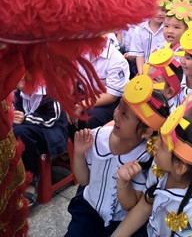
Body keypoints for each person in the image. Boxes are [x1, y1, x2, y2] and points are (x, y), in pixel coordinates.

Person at [66, 82, 166, 237]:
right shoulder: (97, 137)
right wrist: (78, 154)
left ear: (146, 132)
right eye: (119, 106)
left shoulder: (145, 158)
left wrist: (123, 182)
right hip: (88, 210)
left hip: (119, 220)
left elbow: (129, 205)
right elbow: (84, 180)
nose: (116, 115)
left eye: (125, 115)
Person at [112, 97, 192, 237]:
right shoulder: (161, 166)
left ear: (180, 167)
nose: (154, 145)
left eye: (161, 145)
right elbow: (145, 205)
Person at [12, 77, 69, 207]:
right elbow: (16, 113)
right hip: (30, 130)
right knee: (13, 130)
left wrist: (25, 119)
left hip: (52, 132)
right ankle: (16, 175)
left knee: (20, 132)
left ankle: (31, 178)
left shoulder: (49, 89)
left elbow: (52, 118)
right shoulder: (18, 93)